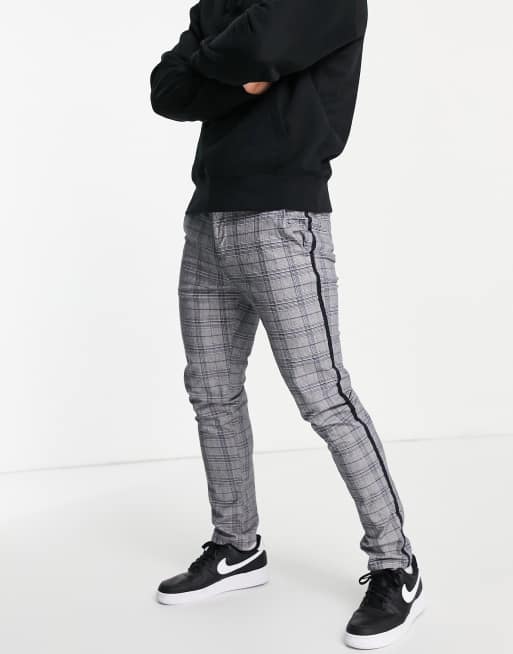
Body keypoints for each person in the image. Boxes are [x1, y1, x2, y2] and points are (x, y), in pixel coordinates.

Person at [149, 0, 424, 648]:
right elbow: (166, 89)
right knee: (211, 392)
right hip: (207, 220)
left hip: (282, 219)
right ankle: (237, 546)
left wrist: (216, 64)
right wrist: (236, 74)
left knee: (324, 396)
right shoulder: (221, 3)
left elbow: (260, 45)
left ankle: (395, 563)